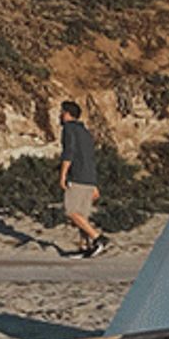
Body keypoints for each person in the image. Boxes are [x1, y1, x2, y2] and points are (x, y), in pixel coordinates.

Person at [58, 101, 108, 258]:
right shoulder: (85, 131)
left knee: (72, 211)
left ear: (67, 114)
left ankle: (98, 239)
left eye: (62, 112)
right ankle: (86, 246)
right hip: (89, 176)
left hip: (78, 175)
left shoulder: (69, 128)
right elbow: (90, 156)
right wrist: (94, 183)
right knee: (82, 214)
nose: (60, 115)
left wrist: (63, 175)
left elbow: (69, 152)